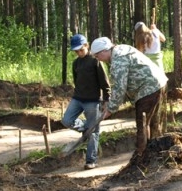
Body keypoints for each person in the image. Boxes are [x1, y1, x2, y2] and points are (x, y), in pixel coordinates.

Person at [91, 36, 168, 155]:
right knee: (151, 123)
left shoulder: (118, 60)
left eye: (97, 56)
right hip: (157, 83)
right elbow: (125, 86)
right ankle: (154, 154)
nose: (98, 59)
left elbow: (120, 88)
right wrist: (111, 103)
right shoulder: (121, 49)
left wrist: (110, 109)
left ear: (104, 51)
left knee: (142, 124)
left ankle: (141, 157)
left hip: (148, 89)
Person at [62, 34, 111, 169]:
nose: (78, 53)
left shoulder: (96, 61)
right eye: (76, 51)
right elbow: (76, 79)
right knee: (66, 120)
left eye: (80, 50)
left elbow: (105, 83)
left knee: (93, 132)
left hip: (93, 101)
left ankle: (91, 161)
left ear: (86, 46)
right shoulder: (76, 63)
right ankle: (85, 128)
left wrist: (106, 101)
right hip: (78, 98)